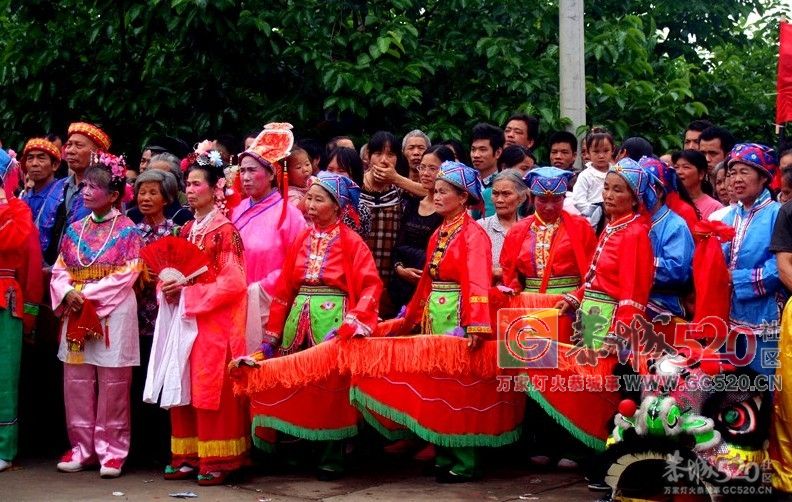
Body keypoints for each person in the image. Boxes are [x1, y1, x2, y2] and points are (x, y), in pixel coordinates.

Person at [352, 162, 524, 483]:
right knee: (439, 387)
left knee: (460, 390)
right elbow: (427, 283)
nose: (437, 195)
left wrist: (475, 324)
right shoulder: (441, 230)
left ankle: (465, 459)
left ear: (463, 198)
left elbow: (476, 281)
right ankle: (445, 453)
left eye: (444, 191)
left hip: (458, 316)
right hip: (436, 315)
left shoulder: (474, 235)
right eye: (437, 190)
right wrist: (412, 314)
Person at [249, 172, 382, 480]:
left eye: (318, 199)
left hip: (334, 319)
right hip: (299, 317)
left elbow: (371, 286)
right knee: (297, 384)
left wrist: (354, 322)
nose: (309, 204)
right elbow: (284, 290)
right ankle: (297, 448)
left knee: (331, 388)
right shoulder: (301, 238)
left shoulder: (352, 243)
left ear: (337, 207)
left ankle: (331, 453)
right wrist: (273, 333)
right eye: (308, 197)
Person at [157, 153, 250, 485]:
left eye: (197, 184)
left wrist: (189, 293)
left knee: (210, 387)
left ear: (216, 189)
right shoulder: (185, 229)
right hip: (186, 317)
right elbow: (172, 270)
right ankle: (186, 453)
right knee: (182, 382)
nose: (191, 190)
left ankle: (219, 456)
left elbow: (234, 281)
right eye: (188, 184)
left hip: (213, 321)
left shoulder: (226, 232)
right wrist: (167, 288)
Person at [50, 152, 143, 478]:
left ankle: (112, 451)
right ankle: (82, 447)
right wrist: (66, 293)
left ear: (115, 195)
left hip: (112, 312)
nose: (86, 191)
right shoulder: (74, 229)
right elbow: (60, 269)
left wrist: (84, 295)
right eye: (85, 185)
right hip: (76, 310)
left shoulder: (129, 230)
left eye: (95, 186)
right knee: (76, 382)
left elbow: (128, 272)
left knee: (114, 382)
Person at [232, 125, 307, 353]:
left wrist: (259, 289)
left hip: (270, 305)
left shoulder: (291, 215)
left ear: (273, 173)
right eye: (242, 170)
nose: (245, 177)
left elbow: (298, 264)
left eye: (252, 170)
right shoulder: (237, 210)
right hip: (234, 299)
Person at [721, 143, 785, 376]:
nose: (736, 179)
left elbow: (780, 267)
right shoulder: (728, 216)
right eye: (732, 173)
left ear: (763, 178)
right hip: (729, 317)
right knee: (732, 391)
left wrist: (735, 278)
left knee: (763, 385)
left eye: (744, 172)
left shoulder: (778, 214)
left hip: (766, 316)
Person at [0, 151, 43, 472]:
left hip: (6, 297)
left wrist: (30, 317)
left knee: (4, 375)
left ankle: (4, 447)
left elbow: (22, 254)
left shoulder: (18, 209)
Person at [389, 145, 452, 310]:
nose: (425, 173)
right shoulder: (412, 203)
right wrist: (400, 269)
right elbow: (398, 245)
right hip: (402, 285)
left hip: (433, 287)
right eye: (422, 167)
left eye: (432, 168)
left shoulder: (448, 210)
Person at [638, 157, 695, 328]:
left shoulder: (675, 225)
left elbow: (676, 269)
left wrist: (636, 265)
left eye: (643, 187)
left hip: (664, 304)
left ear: (659, 191)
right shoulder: (637, 220)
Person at [19, 137, 66, 259]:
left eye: (41, 158)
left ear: (54, 165)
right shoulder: (23, 198)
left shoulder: (64, 194)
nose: (34, 163)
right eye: (30, 158)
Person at [477, 169, 527, 282]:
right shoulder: (480, 227)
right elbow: (470, 266)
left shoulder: (529, 228)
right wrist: (495, 272)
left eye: (506, 194)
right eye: (495, 193)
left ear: (521, 197)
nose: (499, 200)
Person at [569, 128, 614, 229]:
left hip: (616, 218)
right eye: (596, 151)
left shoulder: (617, 172)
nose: (601, 155)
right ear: (588, 152)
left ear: (613, 150)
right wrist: (598, 211)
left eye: (606, 151)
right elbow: (578, 201)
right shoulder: (585, 175)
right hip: (593, 222)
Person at [325, 146, 371, 237]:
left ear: (354, 175)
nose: (334, 175)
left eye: (341, 171)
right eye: (330, 170)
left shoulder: (360, 209)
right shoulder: (315, 199)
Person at [672, 149, 723, 220]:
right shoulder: (669, 203)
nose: (678, 172)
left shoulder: (716, 208)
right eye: (676, 167)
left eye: (686, 167)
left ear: (701, 174)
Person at [470, 122, 504, 218]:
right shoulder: (465, 182)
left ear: (498, 153)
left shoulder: (505, 183)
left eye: (483, 150)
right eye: (473, 149)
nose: (476, 155)